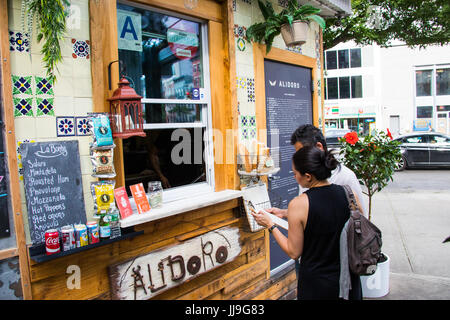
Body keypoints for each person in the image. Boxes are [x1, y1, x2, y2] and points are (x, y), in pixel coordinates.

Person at [251, 146, 363, 300]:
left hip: (317, 285)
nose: (295, 177)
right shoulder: (350, 194)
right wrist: (284, 213)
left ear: (308, 176)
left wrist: (270, 225)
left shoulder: (299, 204)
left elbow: (294, 252)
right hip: (349, 280)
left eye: (295, 173)